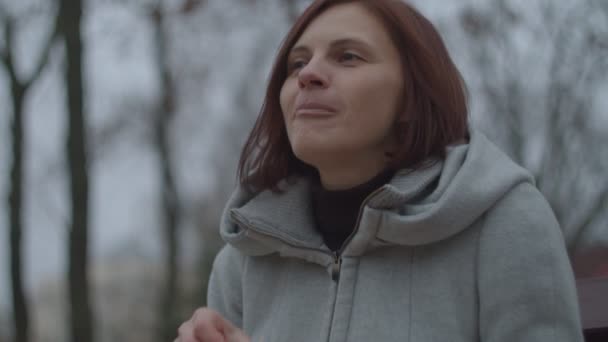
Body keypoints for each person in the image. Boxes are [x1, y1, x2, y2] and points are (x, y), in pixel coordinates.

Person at [175, 0, 584, 341]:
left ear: (412, 96)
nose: (308, 75)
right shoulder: (247, 253)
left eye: (348, 56)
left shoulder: (505, 223)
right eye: (297, 63)